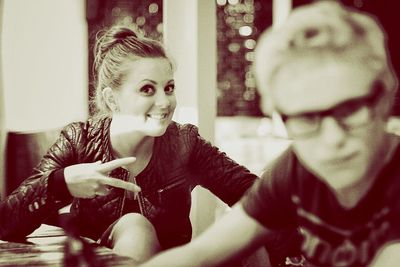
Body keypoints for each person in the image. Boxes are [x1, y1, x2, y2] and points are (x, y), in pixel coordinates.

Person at [0, 25, 299, 265]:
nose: (164, 102)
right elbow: (7, 223)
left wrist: (299, 251)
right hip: (100, 260)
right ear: (110, 99)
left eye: (169, 88)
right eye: (147, 89)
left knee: (248, 235)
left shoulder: (185, 142)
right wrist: (62, 183)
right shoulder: (79, 139)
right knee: (134, 226)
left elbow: (257, 197)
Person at [140, 1, 400, 266]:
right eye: (306, 117)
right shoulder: (297, 170)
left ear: (384, 98)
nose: (333, 139)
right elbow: (201, 253)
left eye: (350, 109)